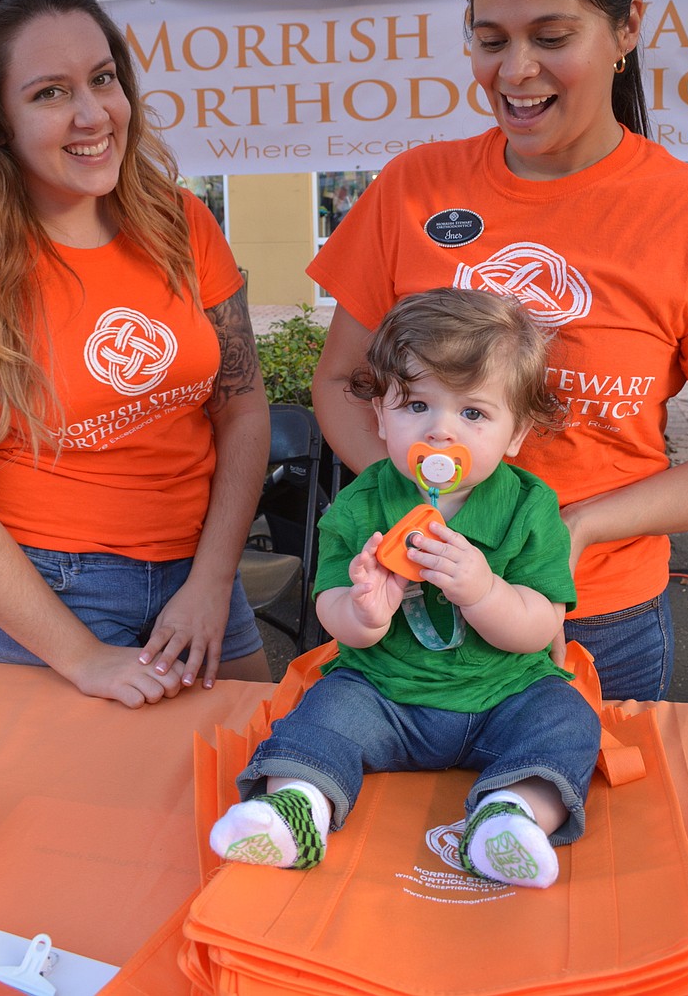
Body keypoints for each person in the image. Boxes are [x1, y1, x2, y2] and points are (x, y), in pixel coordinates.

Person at [308, 0, 688, 703]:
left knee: (576, 825)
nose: (515, 71)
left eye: (552, 36)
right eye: (490, 39)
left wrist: (575, 527)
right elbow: (342, 381)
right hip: (414, 606)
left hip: (600, 616)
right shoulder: (413, 187)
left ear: (627, 28)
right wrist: (410, 502)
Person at [0, 0, 272, 707]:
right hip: (46, 595)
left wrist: (211, 579)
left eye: (103, 79)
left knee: (252, 794)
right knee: (72, 819)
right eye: (50, 93)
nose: (94, 114)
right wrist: (81, 658)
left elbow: (241, 408)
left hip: (201, 574)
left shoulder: (182, 223)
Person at [210, 289, 602, 889]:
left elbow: (539, 629)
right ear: (381, 415)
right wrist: (363, 610)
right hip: (385, 696)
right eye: (417, 404)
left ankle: (511, 816)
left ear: (516, 433)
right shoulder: (362, 503)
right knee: (320, 714)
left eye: (473, 414)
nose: (440, 432)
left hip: (503, 695)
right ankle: (295, 811)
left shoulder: (529, 507)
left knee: (568, 723)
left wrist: (483, 591)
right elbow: (330, 611)